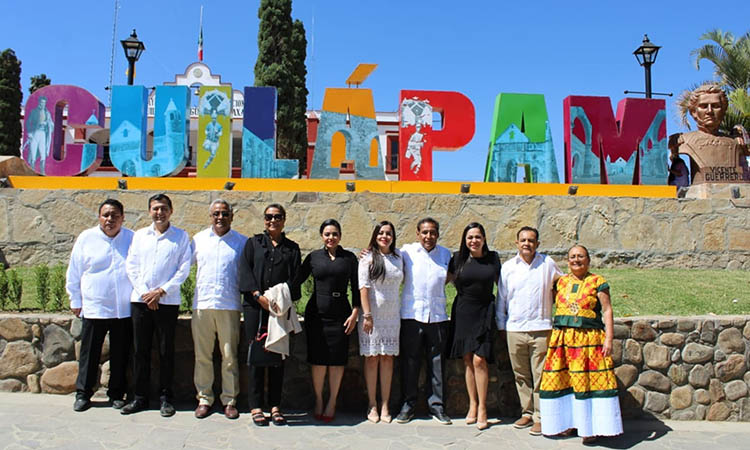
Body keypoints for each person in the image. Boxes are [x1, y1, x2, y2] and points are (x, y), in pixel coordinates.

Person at [540, 245, 622, 444]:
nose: (576, 260)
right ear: (567, 261)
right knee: (565, 381)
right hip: (563, 341)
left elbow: (607, 310)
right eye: (572, 257)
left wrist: (608, 338)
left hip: (589, 341)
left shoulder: (598, 282)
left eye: (580, 256)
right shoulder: (560, 282)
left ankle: (589, 427)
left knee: (587, 382)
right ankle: (566, 423)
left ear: (588, 260)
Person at [122, 193, 192, 417]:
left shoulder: (181, 237)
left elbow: (184, 269)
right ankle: (140, 397)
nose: (159, 212)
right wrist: (146, 294)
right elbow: (131, 266)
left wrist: (161, 292)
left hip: (167, 302)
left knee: (165, 351)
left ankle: (165, 398)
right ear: (149, 211)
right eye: (155, 208)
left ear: (171, 211)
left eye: (163, 208)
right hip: (141, 302)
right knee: (140, 351)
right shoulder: (140, 235)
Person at [66, 199, 133, 412]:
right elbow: (74, 271)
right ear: (99, 217)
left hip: (123, 309)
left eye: (115, 215)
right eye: (106, 215)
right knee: (90, 353)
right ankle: (83, 394)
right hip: (94, 307)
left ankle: (116, 394)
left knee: (120, 354)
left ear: (122, 217)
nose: (110, 219)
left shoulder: (132, 238)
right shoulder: (86, 238)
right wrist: (75, 299)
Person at [496, 226, 562, 436]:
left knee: (541, 375)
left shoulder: (547, 264)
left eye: (531, 240)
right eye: (523, 240)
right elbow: (502, 298)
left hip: (541, 328)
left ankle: (540, 417)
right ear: (517, 243)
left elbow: (561, 284)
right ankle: (527, 412)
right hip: (515, 328)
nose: (527, 244)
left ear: (537, 244)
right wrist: (501, 325)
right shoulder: (508, 267)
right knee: (521, 375)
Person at [239, 204, 301, 426]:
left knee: (277, 356)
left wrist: (278, 299)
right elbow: (244, 271)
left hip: (279, 309)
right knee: (256, 355)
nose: (272, 220)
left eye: (277, 217)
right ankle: (256, 405)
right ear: (264, 220)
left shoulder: (292, 249)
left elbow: (295, 281)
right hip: (256, 307)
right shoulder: (253, 243)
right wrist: (258, 296)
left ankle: (275, 405)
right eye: (268, 217)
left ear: (284, 220)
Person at [293, 219, 360, 422]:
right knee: (319, 360)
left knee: (337, 360)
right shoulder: (313, 257)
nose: (331, 237)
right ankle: (319, 400)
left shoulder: (349, 258)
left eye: (334, 234)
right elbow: (296, 280)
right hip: (317, 315)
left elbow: (357, 287)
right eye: (327, 234)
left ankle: (332, 401)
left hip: (341, 315)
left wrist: (355, 312)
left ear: (340, 236)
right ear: (322, 236)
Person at [191, 199, 248, 420]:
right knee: (202, 356)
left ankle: (229, 399)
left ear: (232, 216)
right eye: (216, 213)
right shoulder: (198, 241)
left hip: (229, 304)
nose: (220, 217)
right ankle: (204, 399)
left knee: (229, 357)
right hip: (202, 305)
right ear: (210, 216)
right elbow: (182, 266)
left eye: (225, 213)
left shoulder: (241, 242)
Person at [396, 217, 452, 425]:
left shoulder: (446, 254)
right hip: (412, 314)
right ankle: (408, 405)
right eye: (425, 232)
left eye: (433, 232)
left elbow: (452, 276)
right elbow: (384, 255)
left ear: (438, 234)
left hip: (437, 315)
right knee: (410, 362)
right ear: (417, 233)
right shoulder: (406, 252)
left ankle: (437, 406)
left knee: (437, 363)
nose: (429, 236)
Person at [447, 223, 500, 430]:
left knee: (480, 359)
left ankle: (483, 408)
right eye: (470, 237)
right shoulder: (457, 259)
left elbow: (502, 285)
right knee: (468, 359)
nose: (474, 241)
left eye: (478, 237)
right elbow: (442, 280)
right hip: (463, 312)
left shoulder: (493, 258)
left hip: (485, 311)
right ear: (465, 239)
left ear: (484, 239)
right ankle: (473, 404)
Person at [357, 221, 404, 424]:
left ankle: (385, 403)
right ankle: (372, 403)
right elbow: (363, 287)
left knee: (387, 358)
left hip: (393, 316)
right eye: (381, 233)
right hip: (372, 317)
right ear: (375, 235)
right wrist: (367, 315)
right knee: (372, 358)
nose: (385, 236)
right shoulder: (366, 258)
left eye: (389, 233)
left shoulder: (400, 256)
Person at [669, 83, 749, 183]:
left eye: (715, 106)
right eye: (704, 106)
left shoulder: (736, 142)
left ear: (723, 110)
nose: (709, 111)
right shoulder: (682, 141)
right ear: (694, 112)